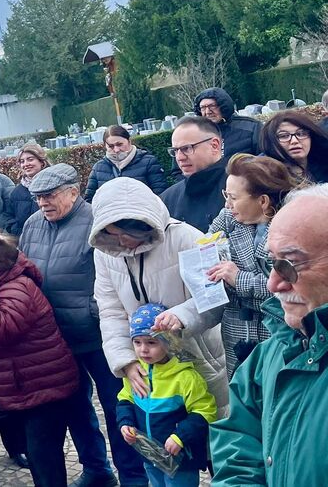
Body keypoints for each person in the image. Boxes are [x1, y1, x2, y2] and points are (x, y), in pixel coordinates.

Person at [18, 164, 145, 487]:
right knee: (76, 409)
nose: (43, 203)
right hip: (56, 338)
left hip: (99, 335)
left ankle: (133, 476)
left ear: (74, 192)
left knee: (118, 407)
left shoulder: (96, 221)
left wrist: (93, 311)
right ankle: (96, 469)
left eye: (49, 196)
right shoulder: (32, 225)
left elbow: (116, 272)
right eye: (37, 197)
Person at [210, 184, 328, 486]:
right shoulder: (269, 355)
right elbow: (238, 446)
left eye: (289, 264)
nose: (273, 284)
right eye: (271, 263)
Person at [89, 178, 229, 415]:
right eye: (113, 235)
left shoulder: (187, 238)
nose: (121, 242)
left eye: (125, 234)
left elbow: (215, 297)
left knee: (211, 424)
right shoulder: (105, 254)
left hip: (200, 357)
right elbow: (111, 311)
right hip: (150, 366)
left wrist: (182, 316)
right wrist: (126, 361)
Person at [0, 228, 81, 487]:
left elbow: (1, 328)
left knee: (45, 460)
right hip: (22, 387)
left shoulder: (18, 287)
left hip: (43, 388)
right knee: (38, 457)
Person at [206, 154, 296, 378]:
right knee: (241, 392)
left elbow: (293, 284)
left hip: (282, 330)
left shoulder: (294, 226)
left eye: (233, 197)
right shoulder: (227, 218)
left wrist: (239, 280)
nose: (227, 204)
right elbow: (204, 261)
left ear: (263, 201)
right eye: (226, 195)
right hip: (237, 330)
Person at [115, 303, 216, 487]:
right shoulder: (136, 373)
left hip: (181, 457)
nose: (143, 349)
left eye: (151, 342)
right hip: (150, 454)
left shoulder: (185, 377)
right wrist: (125, 423)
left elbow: (205, 411)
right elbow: (125, 399)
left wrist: (180, 437)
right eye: (137, 342)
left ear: (168, 341)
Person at [161, 116, 229, 232]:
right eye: (175, 150)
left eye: (187, 148)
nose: (179, 158)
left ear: (215, 145)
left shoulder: (244, 186)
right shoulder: (167, 199)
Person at [85, 125, 168, 201]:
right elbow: (90, 200)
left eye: (119, 144)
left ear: (129, 141)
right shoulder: (98, 168)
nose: (116, 150)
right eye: (111, 146)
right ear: (105, 146)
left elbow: (160, 195)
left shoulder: (148, 162)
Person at [260, 109, 328, 186]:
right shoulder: (263, 178)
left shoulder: (323, 166)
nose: (294, 141)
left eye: (301, 134)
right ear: (271, 142)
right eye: (284, 136)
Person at [192, 87, 262, 158]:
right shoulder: (196, 134)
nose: (207, 112)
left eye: (212, 106)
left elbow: (265, 157)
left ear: (224, 106)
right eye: (203, 108)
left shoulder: (251, 128)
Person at [7, 142, 49, 236]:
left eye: (30, 159)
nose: (26, 164)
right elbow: (9, 218)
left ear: (41, 162)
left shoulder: (54, 186)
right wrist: (19, 234)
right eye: (22, 161)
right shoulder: (16, 193)